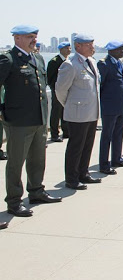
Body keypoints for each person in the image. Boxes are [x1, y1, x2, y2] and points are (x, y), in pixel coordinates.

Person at [0, 25, 62, 218]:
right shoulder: (8, 59)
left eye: (35, 37)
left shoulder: (38, 58)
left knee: (38, 159)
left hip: (39, 119)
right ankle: (14, 201)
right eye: (29, 37)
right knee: (15, 163)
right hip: (18, 121)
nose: (34, 40)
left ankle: (36, 191)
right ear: (16, 38)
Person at [56, 33, 102, 190]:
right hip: (77, 113)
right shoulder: (70, 64)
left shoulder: (92, 62)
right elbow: (61, 90)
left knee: (88, 144)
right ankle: (72, 178)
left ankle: (84, 173)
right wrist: (70, 105)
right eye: (88, 44)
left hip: (91, 111)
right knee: (76, 146)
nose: (92, 47)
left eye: (92, 44)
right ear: (78, 47)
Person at [96, 41, 123, 175]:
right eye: (120, 50)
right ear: (112, 50)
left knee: (118, 133)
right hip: (109, 106)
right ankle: (104, 164)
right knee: (107, 136)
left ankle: (116, 159)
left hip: (121, 104)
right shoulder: (104, 64)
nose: (122, 52)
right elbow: (101, 86)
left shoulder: (120, 63)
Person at [47, 41, 71, 142]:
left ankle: (66, 132)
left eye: (69, 48)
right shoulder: (54, 61)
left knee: (65, 111)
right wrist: (55, 89)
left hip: (67, 90)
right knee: (56, 112)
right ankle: (54, 134)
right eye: (67, 48)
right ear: (61, 49)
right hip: (57, 90)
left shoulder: (68, 60)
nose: (69, 50)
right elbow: (50, 78)